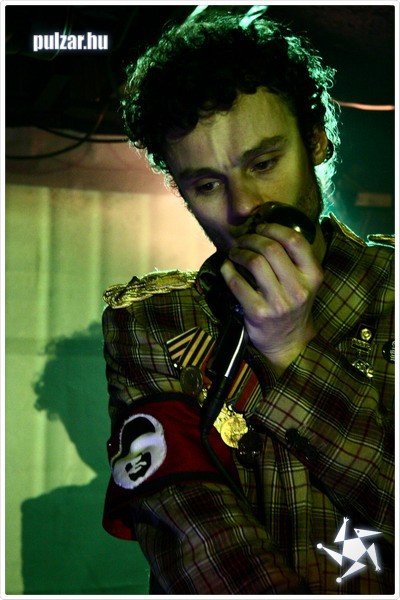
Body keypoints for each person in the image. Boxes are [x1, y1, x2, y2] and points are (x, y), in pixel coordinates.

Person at [101, 11, 394, 595]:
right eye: (208, 185)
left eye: (263, 164)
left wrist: (291, 348)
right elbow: (192, 534)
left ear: (316, 139)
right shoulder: (153, 321)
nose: (244, 207)